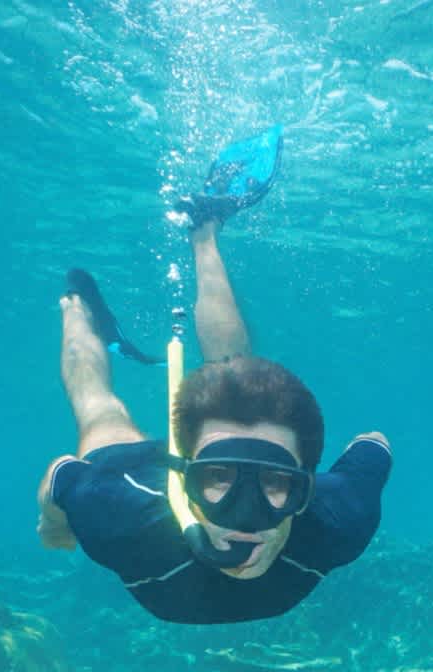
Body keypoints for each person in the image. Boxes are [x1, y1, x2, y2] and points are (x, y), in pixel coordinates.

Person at [35, 129, 392, 625]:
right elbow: (59, 477)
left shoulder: (338, 521)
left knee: (223, 376)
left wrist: (57, 524)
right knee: (100, 410)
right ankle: (77, 312)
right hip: (156, 483)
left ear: (307, 489)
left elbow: (372, 452)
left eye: (275, 482)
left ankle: (204, 231)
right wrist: (55, 521)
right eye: (219, 478)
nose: (245, 519)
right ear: (182, 469)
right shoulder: (121, 515)